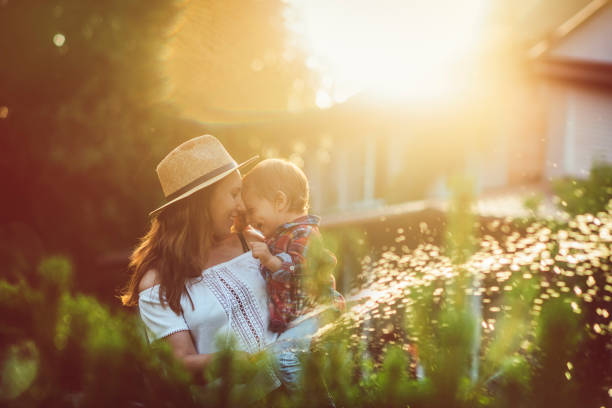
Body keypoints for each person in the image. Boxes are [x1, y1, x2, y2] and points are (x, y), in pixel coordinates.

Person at [121, 135, 280, 395]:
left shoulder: (251, 243)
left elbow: (292, 291)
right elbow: (179, 363)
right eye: (233, 194)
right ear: (202, 201)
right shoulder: (157, 282)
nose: (241, 205)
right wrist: (226, 362)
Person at [241, 158, 345, 391]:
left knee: (283, 358)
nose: (249, 220)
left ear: (280, 201)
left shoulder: (305, 233)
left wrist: (270, 260)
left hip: (317, 315)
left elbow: (301, 271)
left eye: (252, 211)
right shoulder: (276, 237)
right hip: (299, 320)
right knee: (275, 359)